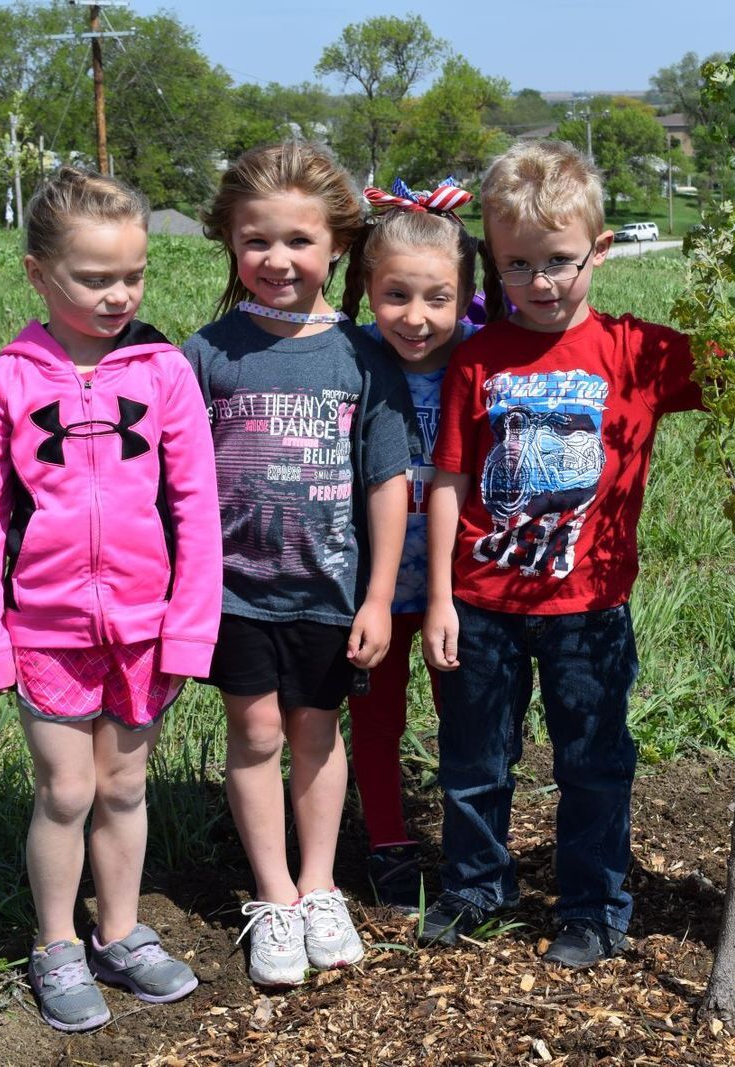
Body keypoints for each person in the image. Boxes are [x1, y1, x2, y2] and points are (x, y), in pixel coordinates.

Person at [417, 140, 735, 968]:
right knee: (472, 760)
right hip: (482, 605)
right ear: (491, 260)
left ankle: (593, 904)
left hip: (587, 611)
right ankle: (476, 886)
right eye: (517, 264)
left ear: (599, 250)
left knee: (594, 763)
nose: (539, 282)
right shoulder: (477, 359)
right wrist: (438, 599)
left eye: (558, 261)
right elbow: (451, 481)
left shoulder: (635, 350)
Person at [0, 168, 220, 1032]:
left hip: (145, 627)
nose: (118, 295)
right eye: (94, 277)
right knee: (66, 789)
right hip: (45, 628)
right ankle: (57, 942)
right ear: (38, 273)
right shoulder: (6, 383)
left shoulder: (166, 370)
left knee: (124, 785)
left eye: (133, 276)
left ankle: (121, 929)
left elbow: (197, 508)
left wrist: (190, 626)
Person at [184, 142, 413, 987]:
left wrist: (381, 597)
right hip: (234, 593)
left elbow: (388, 482)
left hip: (330, 588)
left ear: (338, 246)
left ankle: (320, 884)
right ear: (230, 243)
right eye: (256, 241)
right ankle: (273, 894)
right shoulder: (206, 353)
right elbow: (171, 476)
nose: (276, 260)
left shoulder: (363, 356)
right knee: (254, 733)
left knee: (317, 731)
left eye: (298, 241)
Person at [336, 177, 484, 912]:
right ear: (366, 287)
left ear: (467, 295)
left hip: (465, 589)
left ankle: (470, 849)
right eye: (397, 296)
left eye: (438, 298)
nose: (417, 318)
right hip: (373, 586)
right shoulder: (348, 357)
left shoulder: (486, 359)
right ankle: (389, 843)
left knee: (470, 718)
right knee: (377, 717)